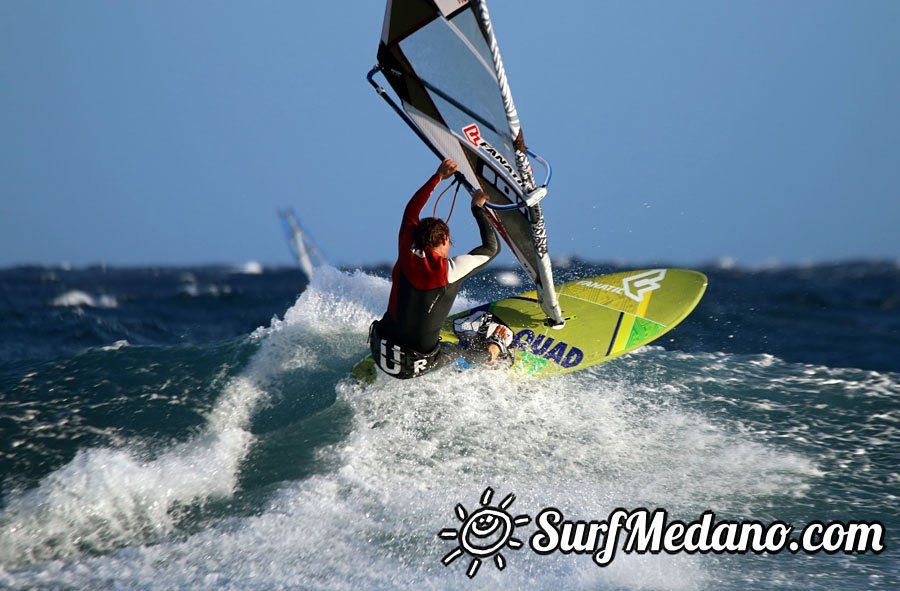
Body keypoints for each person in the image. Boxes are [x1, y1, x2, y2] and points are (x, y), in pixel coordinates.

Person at [369, 159, 513, 379]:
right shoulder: (448, 271)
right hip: (415, 365)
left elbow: (411, 211)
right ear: (445, 238)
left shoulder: (406, 248)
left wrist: (437, 177)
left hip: (380, 350)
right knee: (457, 352)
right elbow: (491, 249)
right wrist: (478, 209)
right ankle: (493, 352)